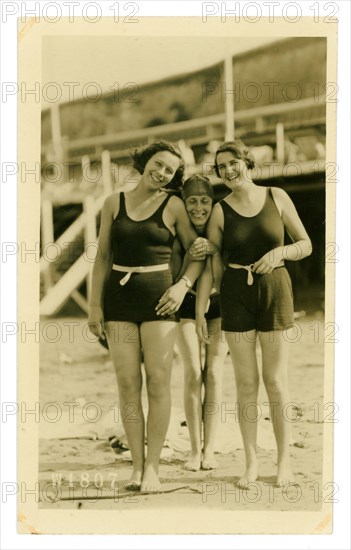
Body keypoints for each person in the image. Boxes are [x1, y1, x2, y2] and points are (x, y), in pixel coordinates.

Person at [88, 140, 205, 493]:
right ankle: (136, 468)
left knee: (157, 381)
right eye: (158, 164)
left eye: (170, 170)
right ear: (144, 162)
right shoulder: (113, 203)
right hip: (119, 301)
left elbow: (196, 253)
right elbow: (103, 256)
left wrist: (182, 287)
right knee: (127, 385)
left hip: (161, 302)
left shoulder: (174, 205)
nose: (162, 173)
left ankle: (153, 467)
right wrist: (95, 307)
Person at [195, 140, 312, 488]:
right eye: (221, 167)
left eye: (233, 163)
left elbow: (305, 244)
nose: (228, 171)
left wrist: (279, 255)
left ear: (247, 162)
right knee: (246, 384)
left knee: (275, 382)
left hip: (275, 289)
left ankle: (284, 463)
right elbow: (211, 260)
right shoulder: (219, 210)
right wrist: (203, 308)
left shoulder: (276, 196)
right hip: (235, 294)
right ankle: (250, 463)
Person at [171, 175, 228, 471]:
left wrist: (215, 251)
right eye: (191, 200)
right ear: (183, 201)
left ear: (212, 201)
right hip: (185, 304)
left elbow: (218, 274)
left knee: (215, 374)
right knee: (193, 371)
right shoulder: (176, 226)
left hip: (217, 304)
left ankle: (210, 449)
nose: (198, 207)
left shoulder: (219, 223)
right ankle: (194, 448)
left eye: (204, 200)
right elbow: (176, 274)